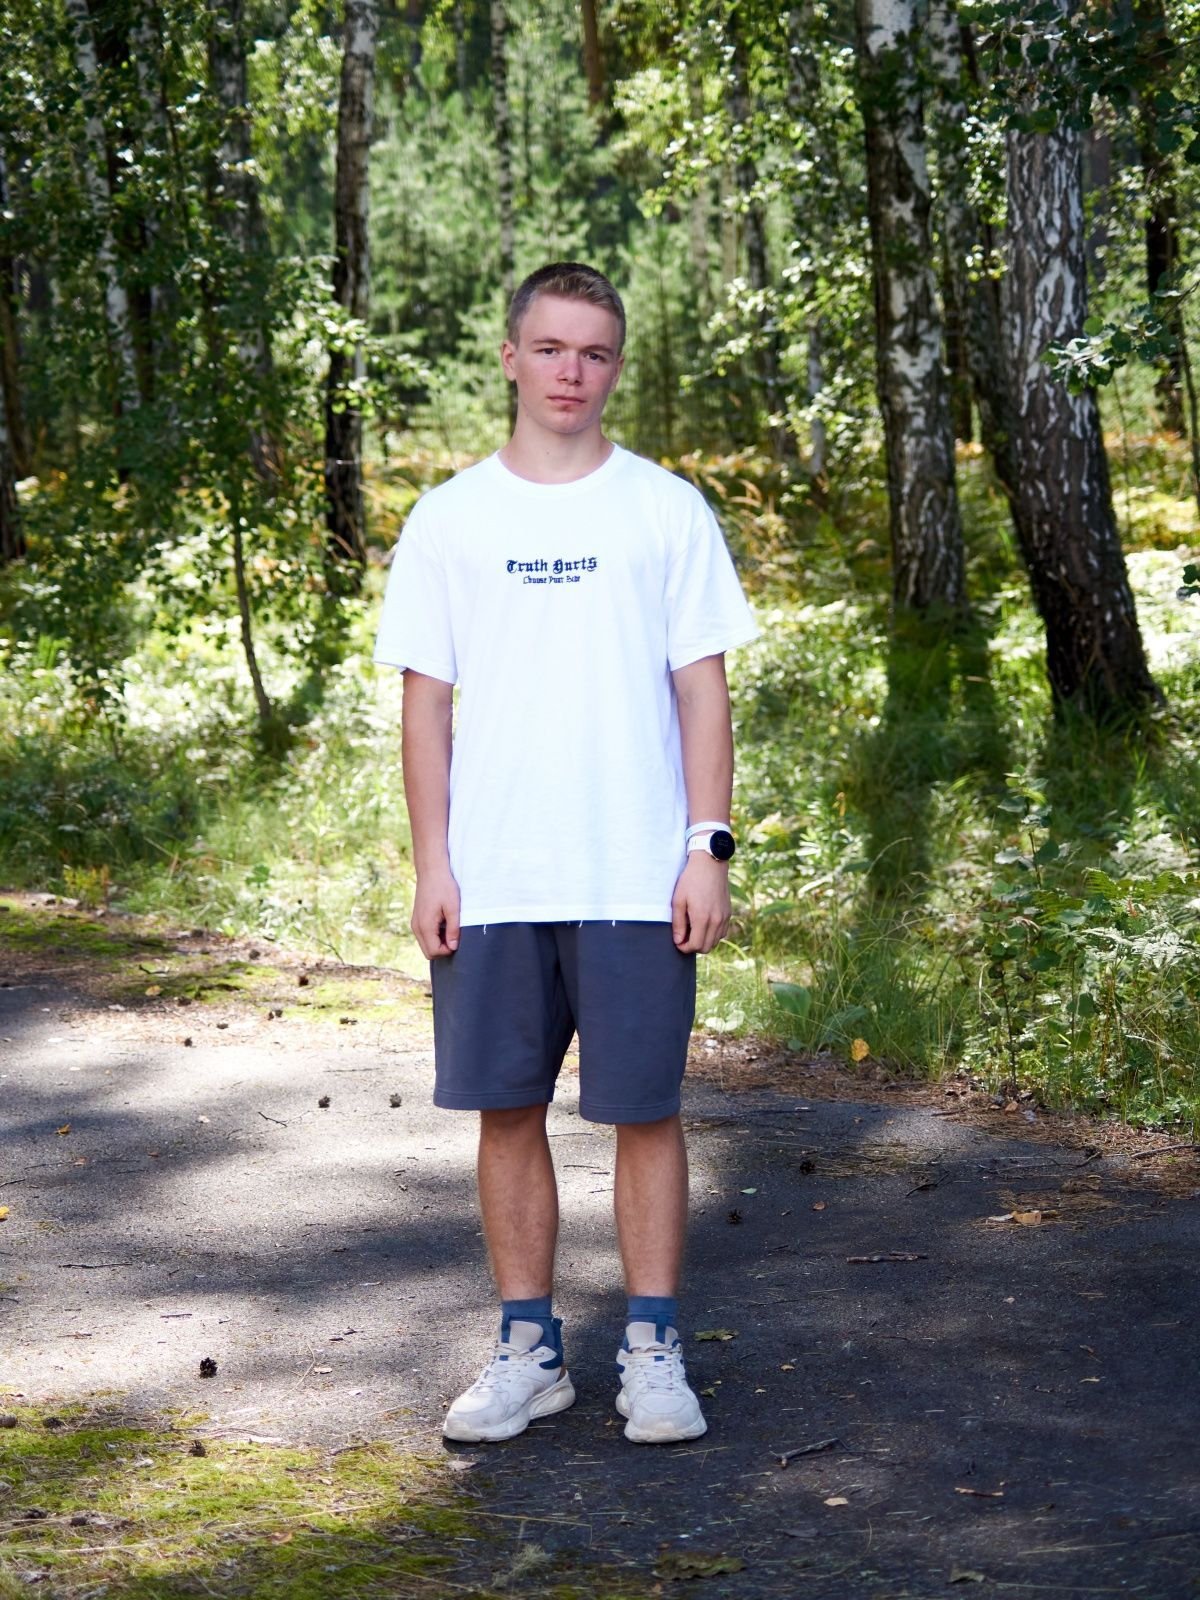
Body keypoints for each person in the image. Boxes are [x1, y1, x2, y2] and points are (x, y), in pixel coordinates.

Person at [374, 261, 757, 1446]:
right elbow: (425, 708)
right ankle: (528, 1351)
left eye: (593, 353)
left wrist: (706, 847)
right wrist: (434, 866)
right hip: (495, 875)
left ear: (616, 368)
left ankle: (653, 1348)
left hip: (635, 871)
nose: (569, 372)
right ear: (510, 357)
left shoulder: (664, 509)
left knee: (645, 1112)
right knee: (506, 1111)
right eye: (549, 348)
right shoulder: (451, 518)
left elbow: (703, 692)